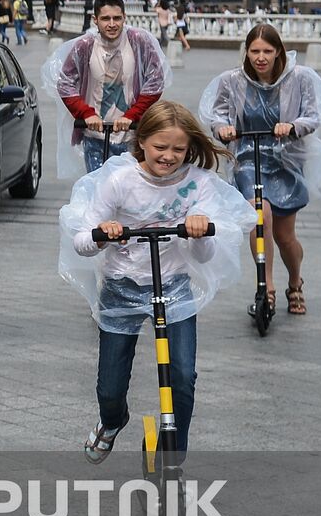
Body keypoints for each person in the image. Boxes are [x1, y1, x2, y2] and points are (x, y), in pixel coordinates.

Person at [60, 101, 255, 463]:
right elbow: (81, 242)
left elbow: (204, 257)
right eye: (160, 147)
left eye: (178, 149)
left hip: (174, 287)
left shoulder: (198, 185)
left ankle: (174, 453)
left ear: (189, 148)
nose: (168, 156)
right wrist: (103, 234)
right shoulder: (120, 181)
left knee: (182, 375)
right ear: (142, 142)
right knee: (110, 387)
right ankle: (112, 421)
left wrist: (199, 233)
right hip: (122, 287)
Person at [200, 24, 321, 316]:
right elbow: (218, 114)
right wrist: (222, 128)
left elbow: (313, 115)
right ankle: (267, 286)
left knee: (286, 237)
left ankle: (295, 281)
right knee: (259, 214)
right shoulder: (231, 81)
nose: (260, 57)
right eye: (254, 51)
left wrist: (293, 127)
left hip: (285, 159)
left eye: (267, 51)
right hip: (248, 157)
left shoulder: (299, 78)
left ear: (278, 52)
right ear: (246, 52)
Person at [41, 0, 171, 180]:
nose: (112, 24)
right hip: (95, 135)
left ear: (125, 17)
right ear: (95, 19)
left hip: (132, 135)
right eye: (105, 19)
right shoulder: (85, 46)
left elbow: (156, 81)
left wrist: (132, 115)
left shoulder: (138, 42)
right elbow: (65, 83)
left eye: (117, 18)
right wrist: (86, 113)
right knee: (98, 192)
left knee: (128, 194)